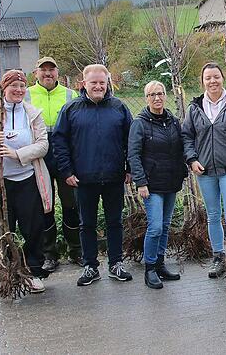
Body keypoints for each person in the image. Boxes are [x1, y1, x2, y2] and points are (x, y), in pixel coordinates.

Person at [52, 63, 134, 286]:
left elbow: (131, 140)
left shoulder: (119, 107)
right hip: (83, 179)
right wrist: (67, 171)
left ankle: (116, 263)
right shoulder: (71, 109)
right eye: (93, 82)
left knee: (114, 222)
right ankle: (90, 266)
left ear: (108, 83)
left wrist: (129, 168)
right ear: (83, 83)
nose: (98, 86)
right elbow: (59, 142)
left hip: (114, 177)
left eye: (102, 82)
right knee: (86, 224)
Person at [0, 69, 52, 295]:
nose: (18, 90)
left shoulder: (32, 113)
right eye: (13, 86)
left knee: (33, 228)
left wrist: (18, 154)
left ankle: (33, 273)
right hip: (0, 183)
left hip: (28, 180)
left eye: (22, 86)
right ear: (3, 88)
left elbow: (43, 145)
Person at [182, 62, 226, 279]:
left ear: (223, 79)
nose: (212, 81)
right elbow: (187, 136)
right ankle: (218, 258)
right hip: (205, 171)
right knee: (213, 216)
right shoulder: (195, 108)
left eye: (216, 77)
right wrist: (192, 160)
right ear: (202, 81)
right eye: (208, 78)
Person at [128, 80, 187, 289]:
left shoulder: (173, 121)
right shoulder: (140, 123)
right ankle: (150, 268)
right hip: (151, 185)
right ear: (146, 98)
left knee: (165, 225)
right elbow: (133, 155)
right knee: (155, 227)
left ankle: (160, 264)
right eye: (152, 94)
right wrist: (141, 182)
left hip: (170, 182)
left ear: (165, 95)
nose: (157, 98)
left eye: (160, 93)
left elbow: (180, 148)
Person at [25, 56, 82, 271]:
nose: (47, 73)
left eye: (51, 69)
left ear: (58, 72)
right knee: (44, 205)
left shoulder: (70, 95)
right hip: (39, 156)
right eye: (43, 70)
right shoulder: (26, 95)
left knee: (71, 204)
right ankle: (49, 254)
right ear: (36, 73)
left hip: (65, 155)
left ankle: (76, 249)